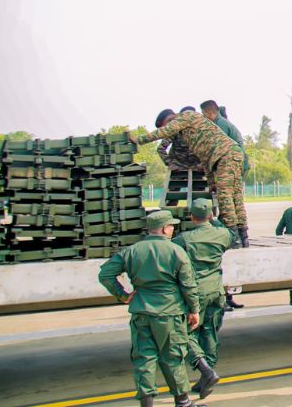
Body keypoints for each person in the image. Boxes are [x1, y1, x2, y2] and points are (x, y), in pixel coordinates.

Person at [98, 210, 203, 407]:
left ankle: (146, 403)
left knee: (144, 359)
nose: (173, 229)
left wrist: (122, 294)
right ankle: (182, 402)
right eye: (171, 226)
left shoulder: (132, 251)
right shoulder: (176, 251)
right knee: (173, 357)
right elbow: (188, 285)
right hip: (169, 313)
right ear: (164, 229)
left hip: (141, 312)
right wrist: (194, 310)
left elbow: (105, 274)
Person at [130, 109, 249, 247]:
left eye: (166, 125)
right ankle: (243, 237)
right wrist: (211, 182)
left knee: (225, 197)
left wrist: (139, 140)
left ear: (170, 120)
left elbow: (164, 131)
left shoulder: (186, 116)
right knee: (235, 197)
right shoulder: (190, 134)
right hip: (230, 154)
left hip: (225, 155)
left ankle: (234, 238)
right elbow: (204, 157)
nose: (169, 130)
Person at [172, 199, 232, 400]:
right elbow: (229, 234)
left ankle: (206, 371)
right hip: (216, 290)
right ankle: (208, 373)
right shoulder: (222, 234)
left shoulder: (184, 239)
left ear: (191, 217)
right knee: (210, 331)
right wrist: (214, 221)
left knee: (185, 333)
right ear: (211, 215)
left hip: (195, 293)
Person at [157, 107, 203, 172]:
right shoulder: (174, 129)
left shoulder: (201, 129)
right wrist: (170, 163)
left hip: (197, 168)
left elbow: (210, 148)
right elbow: (161, 149)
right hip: (178, 169)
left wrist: (204, 163)